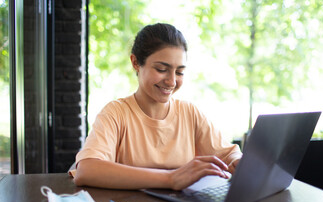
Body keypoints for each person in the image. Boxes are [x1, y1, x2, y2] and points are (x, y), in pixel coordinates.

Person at [73, 23, 242, 190]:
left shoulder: (190, 113)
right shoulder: (116, 113)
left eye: (179, 72)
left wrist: (237, 161)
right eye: (162, 69)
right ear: (136, 63)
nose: (172, 81)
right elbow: (87, 170)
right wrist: (170, 179)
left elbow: (228, 155)